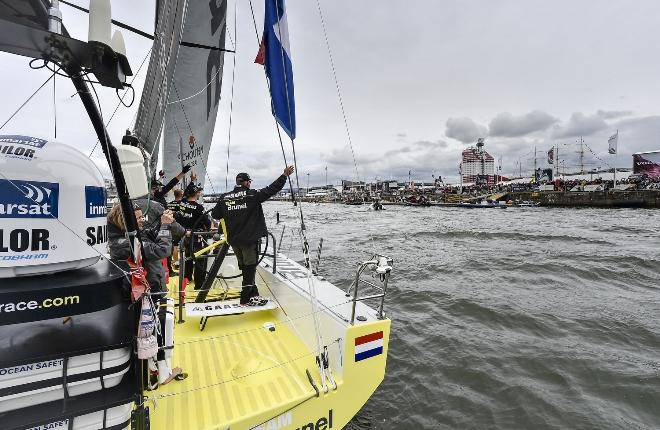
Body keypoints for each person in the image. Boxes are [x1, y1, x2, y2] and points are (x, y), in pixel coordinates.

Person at [211, 166, 294, 304]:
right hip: (249, 240)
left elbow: (215, 215)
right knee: (250, 268)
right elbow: (272, 189)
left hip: (234, 241)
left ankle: (253, 294)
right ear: (247, 183)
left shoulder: (224, 198)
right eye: (250, 181)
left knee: (244, 267)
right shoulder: (252, 195)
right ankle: (245, 299)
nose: (250, 184)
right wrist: (284, 175)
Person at [176, 181, 212, 288]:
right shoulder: (199, 208)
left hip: (185, 235)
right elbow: (207, 222)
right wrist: (208, 229)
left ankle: (187, 277)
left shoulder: (182, 203)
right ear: (196, 194)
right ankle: (199, 284)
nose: (200, 194)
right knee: (200, 259)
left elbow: (187, 192)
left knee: (188, 256)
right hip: (196, 236)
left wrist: (192, 181)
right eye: (199, 192)